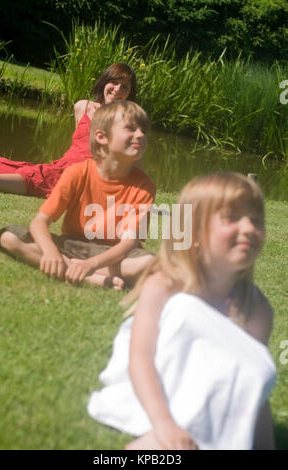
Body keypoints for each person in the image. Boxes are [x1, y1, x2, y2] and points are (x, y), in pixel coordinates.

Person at [88, 172, 277, 450]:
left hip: (211, 392)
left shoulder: (257, 309)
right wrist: (164, 424)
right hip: (152, 383)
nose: (249, 227)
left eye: (256, 220)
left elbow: (249, 382)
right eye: (232, 217)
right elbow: (141, 358)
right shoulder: (165, 286)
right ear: (195, 231)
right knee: (186, 310)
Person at [0, 100, 155, 290]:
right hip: (71, 246)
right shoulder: (77, 172)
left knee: (151, 263)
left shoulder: (145, 186)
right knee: (8, 237)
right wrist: (50, 251)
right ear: (101, 136)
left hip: (113, 255)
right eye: (130, 128)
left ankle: (75, 270)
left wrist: (92, 264)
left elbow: (130, 242)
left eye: (143, 131)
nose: (140, 135)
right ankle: (89, 277)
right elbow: (39, 223)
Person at [0, 63, 137, 197]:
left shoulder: (127, 121)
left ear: (130, 93)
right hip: (64, 165)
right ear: (104, 83)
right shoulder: (82, 107)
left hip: (89, 175)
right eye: (114, 82)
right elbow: (78, 145)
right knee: (9, 166)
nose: (118, 90)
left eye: (124, 86)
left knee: (43, 176)